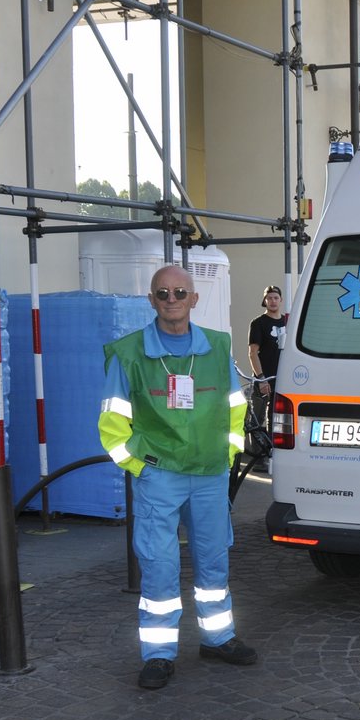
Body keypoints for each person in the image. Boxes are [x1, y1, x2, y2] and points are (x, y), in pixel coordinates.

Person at [99, 264, 258, 690]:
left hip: (208, 474)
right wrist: (140, 469)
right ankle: (158, 654)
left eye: (180, 292)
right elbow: (113, 424)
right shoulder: (128, 353)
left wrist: (224, 456)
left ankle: (218, 637)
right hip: (160, 477)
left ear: (194, 298)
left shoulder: (217, 347)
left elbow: (235, 408)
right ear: (151, 300)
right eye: (163, 293)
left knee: (213, 560)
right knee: (159, 567)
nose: (172, 300)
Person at [247, 285, 287, 431]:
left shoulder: (288, 322)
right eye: (269, 298)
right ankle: (253, 452)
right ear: (265, 300)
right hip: (263, 378)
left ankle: (273, 451)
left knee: (278, 417)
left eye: (276, 298)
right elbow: (252, 353)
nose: (273, 301)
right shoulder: (258, 323)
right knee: (256, 420)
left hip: (283, 377)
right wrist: (261, 378)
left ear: (281, 300)